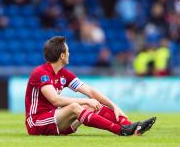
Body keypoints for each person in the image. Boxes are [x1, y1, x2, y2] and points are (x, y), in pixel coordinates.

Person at [24, 36, 156, 136]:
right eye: (68, 51)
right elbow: (55, 100)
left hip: (56, 122)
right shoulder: (41, 73)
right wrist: (86, 100)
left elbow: (90, 91)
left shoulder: (63, 73)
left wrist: (114, 106)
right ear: (62, 55)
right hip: (36, 122)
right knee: (77, 106)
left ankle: (133, 127)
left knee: (90, 105)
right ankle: (120, 131)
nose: (69, 54)